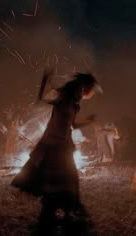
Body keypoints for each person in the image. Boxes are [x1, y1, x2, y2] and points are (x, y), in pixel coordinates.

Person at [11, 69, 101, 230]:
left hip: (65, 145)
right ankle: (51, 211)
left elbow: (72, 125)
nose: (84, 94)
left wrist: (88, 122)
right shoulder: (62, 100)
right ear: (79, 88)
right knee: (54, 179)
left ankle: (66, 212)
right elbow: (42, 98)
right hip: (52, 144)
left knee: (69, 178)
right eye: (84, 90)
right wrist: (45, 80)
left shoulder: (74, 104)